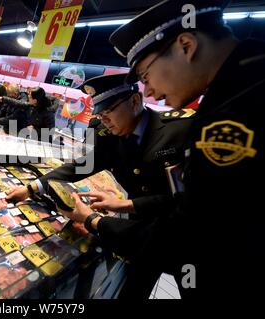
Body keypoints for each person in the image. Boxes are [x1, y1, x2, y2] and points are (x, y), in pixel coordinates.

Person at [71, 0, 265, 300]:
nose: (148, 92)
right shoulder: (242, 84)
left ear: (186, 45)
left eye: (145, 76)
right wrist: (127, 205)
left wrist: (95, 221)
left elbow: (190, 232)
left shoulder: (237, 109)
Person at [7, 74, 193, 221]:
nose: (103, 120)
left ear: (135, 101)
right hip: (131, 222)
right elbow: (82, 165)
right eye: (100, 113)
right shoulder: (109, 134)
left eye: (108, 112)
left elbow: (188, 198)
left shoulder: (180, 131)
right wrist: (32, 188)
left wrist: (127, 205)